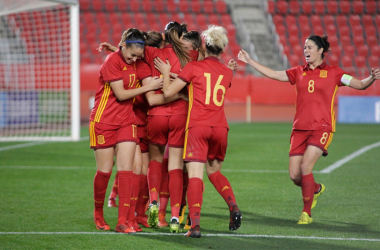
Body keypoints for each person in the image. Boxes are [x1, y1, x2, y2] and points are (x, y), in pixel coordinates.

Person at [237, 35, 380, 224]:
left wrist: (371, 77)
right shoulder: (298, 72)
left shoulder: (334, 73)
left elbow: (360, 85)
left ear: (321, 50)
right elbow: (273, 74)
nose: (306, 51)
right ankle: (316, 188)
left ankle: (306, 213)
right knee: (295, 175)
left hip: (322, 128)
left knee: (306, 167)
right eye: (305, 47)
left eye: (310, 47)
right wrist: (249, 61)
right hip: (299, 129)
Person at [154, 25, 242, 238]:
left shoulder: (194, 68)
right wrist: (232, 68)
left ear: (204, 46)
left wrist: (166, 73)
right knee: (215, 172)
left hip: (198, 126)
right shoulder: (227, 72)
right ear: (221, 50)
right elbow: (213, 79)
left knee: (195, 177)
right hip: (220, 127)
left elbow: (167, 92)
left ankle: (194, 226)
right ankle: (234, 207)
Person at [90, 28, 162, 234]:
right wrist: (147, 87)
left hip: (127, 122)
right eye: (132, 55)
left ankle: (123, 221)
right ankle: (98, 214)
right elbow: (121, 95)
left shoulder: (137, 63)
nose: (134, 60)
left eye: (138, 56)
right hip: (103, 121)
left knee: (128, 170)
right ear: (123, 46)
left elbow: (150, 80)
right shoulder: (111, 61)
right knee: (104, 172)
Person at [142, 21, 199, 233]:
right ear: (182, 37)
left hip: (156, 114)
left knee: (155, 161)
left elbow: (137, 43)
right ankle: (175, 216)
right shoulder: (189, 56)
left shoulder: (151, 53)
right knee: (175, 166)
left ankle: (154, 201)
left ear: (165, 36)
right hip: (180, 115)